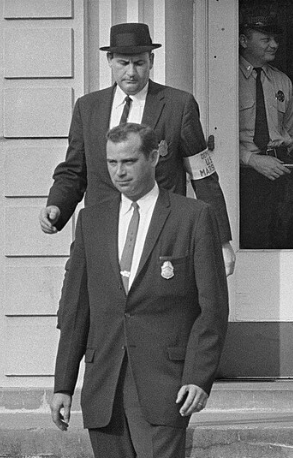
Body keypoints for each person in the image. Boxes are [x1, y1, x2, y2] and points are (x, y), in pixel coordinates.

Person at [49, 123, 229, 458]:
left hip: (166, 385)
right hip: (104, 384)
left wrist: (198, 376)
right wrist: (63, 383)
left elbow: (213, 307)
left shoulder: (193, 217)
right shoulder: (91, 220)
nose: (119, 172)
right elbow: (76, 308)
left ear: (154, 156)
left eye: (129, 162)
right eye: (112, 163)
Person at [39, 22, 235, 276]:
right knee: (75, 312)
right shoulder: (88, 108)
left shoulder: (178, 105)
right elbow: (74, 170)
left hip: (160, 237)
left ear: (151, 60)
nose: (131, 72)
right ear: (110, 60)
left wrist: (221, 241)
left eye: (139, 63)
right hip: (101, 235)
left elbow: (203, 176)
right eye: (123, 63)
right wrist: (57, 206)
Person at [238, 11, 293, 249]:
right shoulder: (227, 79)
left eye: (275, 39)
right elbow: (215, 136)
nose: (274, 44)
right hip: (243, 174)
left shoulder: (282, 81)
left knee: (281, 239)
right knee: (251, 241)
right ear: (244, 41)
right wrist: (251, 160)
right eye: (265, 39)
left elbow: (289, 130)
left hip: (278, 171)